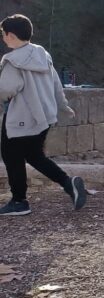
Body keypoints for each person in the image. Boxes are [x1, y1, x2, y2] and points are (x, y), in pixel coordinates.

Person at [0, 15, 87, 216]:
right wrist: (63, 106)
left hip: (20, 118)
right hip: (44, 117)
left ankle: (19, 201)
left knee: (11, 156)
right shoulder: (42, 54)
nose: (3, 38)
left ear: (11, 36)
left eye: (4, 34)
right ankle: (68, 183)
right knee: (34, 155)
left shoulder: (12, 61)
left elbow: (5, 90)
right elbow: (56, 84)